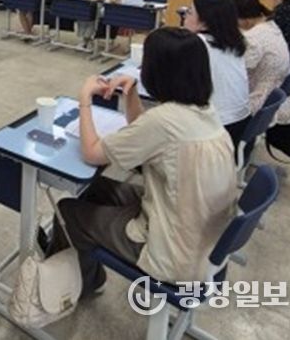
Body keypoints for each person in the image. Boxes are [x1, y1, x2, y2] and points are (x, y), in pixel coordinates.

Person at [49, 27, 238, 296]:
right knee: (97, 188)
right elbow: (145, 134)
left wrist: (84, 99)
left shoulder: (163, 121)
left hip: (172, 254)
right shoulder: (205, 110)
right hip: (203, 240)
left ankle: (75, 286)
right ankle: (79, 266)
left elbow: (91, 152)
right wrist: (131, 93)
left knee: (67, 212)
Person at [184, 0, 251, 145]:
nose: (185, 16)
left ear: (204, 23)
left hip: (215, 129)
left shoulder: (197, 44)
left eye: (189, 12)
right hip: (240, 123)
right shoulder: (234, 42)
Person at [232, 0, 290, 125]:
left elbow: (238, 72)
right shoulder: (271, 26)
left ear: (247, 20)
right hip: (275, 93)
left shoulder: (253, 38)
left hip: (260, 99)